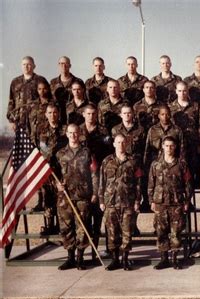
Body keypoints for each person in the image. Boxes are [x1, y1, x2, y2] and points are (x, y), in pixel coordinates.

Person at [55, 124, 98, 270]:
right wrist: (57, 184)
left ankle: (80, 258)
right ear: (66, 134)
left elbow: (94, 174)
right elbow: (53, 174)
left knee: (82, 228)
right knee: (66, 228)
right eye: (70, 133)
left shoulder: (87, 152)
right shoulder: (60, 154)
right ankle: (70, 258)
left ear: (80, 134)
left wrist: (94, 192)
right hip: (65, 197)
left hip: (82, 197)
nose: (73, 135)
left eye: (76, 133)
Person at [148, 136, 193, 270]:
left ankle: (174, 259)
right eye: (166, 146)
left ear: (175, 147)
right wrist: (151, 200)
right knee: (161, 232)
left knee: (176, 232)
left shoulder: (182, 164)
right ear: (162, 146)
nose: (169, 148)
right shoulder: (155, 164)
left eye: (171, 146)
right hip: (160, 203)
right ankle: (164, 259)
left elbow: (188, 184)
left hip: (176, 203)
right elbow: (151, 184)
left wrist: (186, 201)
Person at [99, 134, 142, 271]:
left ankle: (125, 259)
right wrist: (101, 200)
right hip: (110, 203)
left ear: (127, 143)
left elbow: (138, 183)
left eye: (123, 142)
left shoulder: (133, 161)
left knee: (127, 232)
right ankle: (114, 259)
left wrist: (137, 201)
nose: (121, 145)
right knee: (112, 232)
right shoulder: (107, 161)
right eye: (118, 142)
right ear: (114, 144)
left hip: (127, 203)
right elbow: (102, 182)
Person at [79, 104, 113, 261]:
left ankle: (99, 251)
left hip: (99, 177)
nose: (91, 116)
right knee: (84, 217)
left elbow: (108, 155)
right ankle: (83, 250)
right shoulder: (78, 132)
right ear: (83, 114)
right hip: (81, 179)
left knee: (99, 215)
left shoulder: (104, 131)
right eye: (88, 113)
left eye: (93, 113)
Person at [35, 103, 67, 230]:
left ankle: (60, 226)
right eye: (49, 113)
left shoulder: (64, 129)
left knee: (60, 197)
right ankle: (49, 225)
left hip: (61, 169)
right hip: (47, 169)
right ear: (46, 114)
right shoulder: (41, 129)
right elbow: (39, 148)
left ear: (58, 114)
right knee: (48, 196)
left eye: (54, 112)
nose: (52, 115)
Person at [169, 81, 200, 185]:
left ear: (188, 91)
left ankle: (189, 198)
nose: (182, 93)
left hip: (192, 145)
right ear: (176, 91)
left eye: (184, 91)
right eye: (180, 91)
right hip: (176, 145)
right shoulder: (170, 107)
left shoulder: (196, 106)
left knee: (190, 173)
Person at [7, 56, 47, 131]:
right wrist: (11, 121)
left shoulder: (41, 80)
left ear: (34, 66)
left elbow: (48, 100)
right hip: (19, 121)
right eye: (24, 64)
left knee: (37, 142)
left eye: (28, 64)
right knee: (20, 143)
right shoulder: (15, 82)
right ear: (21, 66)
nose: (26, 67)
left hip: (37, 121)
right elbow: (11, 101)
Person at [144, 104, 184, 169]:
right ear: (159, 116)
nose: (165, 117)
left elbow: (182, 149)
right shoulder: (152, 130)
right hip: (156, 166)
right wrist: (146, 165)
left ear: (170, 115)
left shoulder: (177, 130)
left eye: (167, 114)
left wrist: (182, 164)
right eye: (162, 114)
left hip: (172, 165)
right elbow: (147, 149)